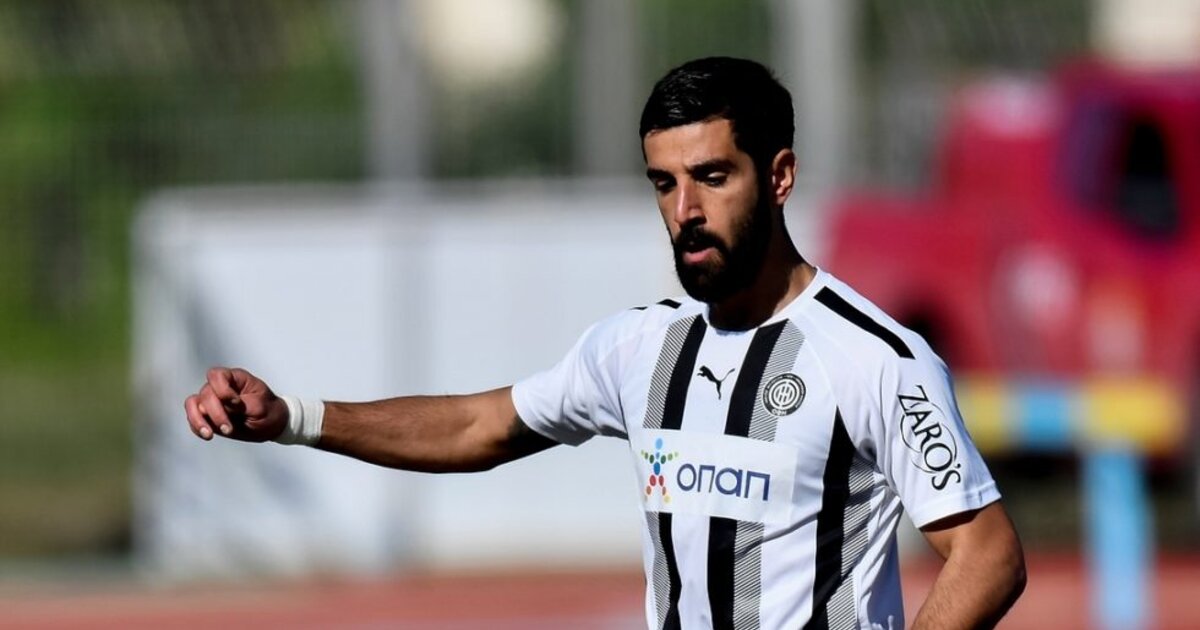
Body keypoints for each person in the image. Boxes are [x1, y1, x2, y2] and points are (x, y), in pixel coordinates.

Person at [184, 56, 1025, 630]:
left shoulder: (875, 358)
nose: (684, 211)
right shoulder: (641, 348)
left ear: (779, 176)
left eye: (712, 177)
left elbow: (986, 555)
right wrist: (293, 416)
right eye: (664, 183)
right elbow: (480, 425)